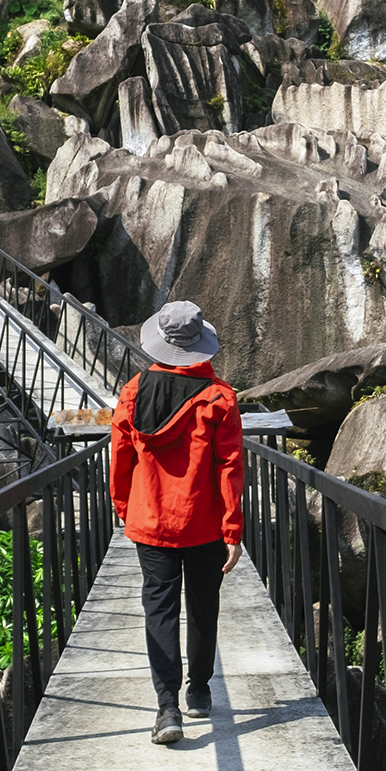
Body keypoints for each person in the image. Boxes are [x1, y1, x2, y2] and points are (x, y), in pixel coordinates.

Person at [108, 299, 245, 746]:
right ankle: (200, 691)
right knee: (203, 605)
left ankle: (167, 707)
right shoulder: (219, 398)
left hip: (151, 520)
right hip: (202, 522)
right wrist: (233, 531)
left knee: (159, 610)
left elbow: (120, 457)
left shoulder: (133, 392)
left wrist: (123, 505)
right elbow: (229, 466)